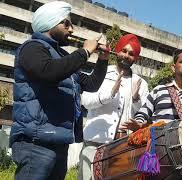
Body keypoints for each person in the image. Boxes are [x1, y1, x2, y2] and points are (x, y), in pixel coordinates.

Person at [9, 1, 109, 180]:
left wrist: (102, 59)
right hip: (36, 142)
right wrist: (84, 52)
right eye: (66, 23)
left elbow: (92, 84)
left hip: (60, 142)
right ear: (50, 23)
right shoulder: (32, 47)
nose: (71, 30)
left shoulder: (64, 58)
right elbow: (48, 72)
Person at [78, 34, 149, 180]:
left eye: (131, 53)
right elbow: (85, 100)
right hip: (96, 140)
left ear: (136, 58)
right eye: (124, 51)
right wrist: (110, 94)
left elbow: (143, 114)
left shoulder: (140, 83)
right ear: (117, 51)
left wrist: (136, 99)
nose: (126, 55)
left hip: (123, 145)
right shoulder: (102, 71)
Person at [120, 48, 182, 143]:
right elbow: (143, 112)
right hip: (153, 146)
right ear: (173, 67)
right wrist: (138, 123)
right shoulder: (158, 90)